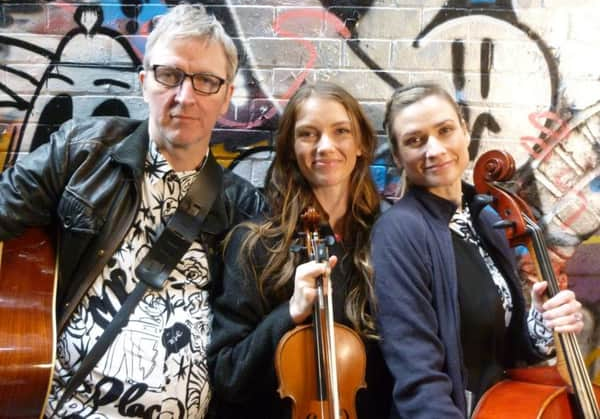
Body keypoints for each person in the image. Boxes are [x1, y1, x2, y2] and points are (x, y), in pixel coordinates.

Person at [0, 4, 265, 418]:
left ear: (227, 95)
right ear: (144, 83)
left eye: (206, 81)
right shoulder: (82, 154)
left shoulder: (244, 207)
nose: (185, 96)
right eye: (169, 75)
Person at [371, 82, 585, 418]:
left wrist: (542, 320)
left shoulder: (483, 217)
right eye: (415, 140)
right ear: (398, 156)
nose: (435, 149)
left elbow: (506, 352)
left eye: (445, 130)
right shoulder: (398, 232)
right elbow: (419, 379)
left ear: (465, 130)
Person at [208, 81, 392, 418]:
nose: (325, 146)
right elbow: (227, 374)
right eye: (308, 134)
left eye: (341, 132)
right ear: (291, 148)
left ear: (362, 144)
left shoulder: (387, 241)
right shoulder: (255, 244)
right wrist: (289, 313)